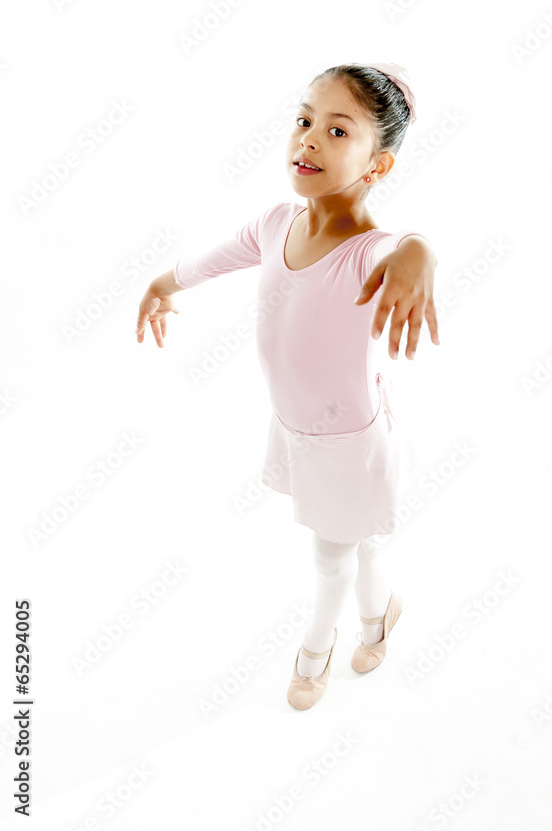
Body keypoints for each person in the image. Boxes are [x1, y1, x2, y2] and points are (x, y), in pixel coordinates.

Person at [135, 62, 440, 710]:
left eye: (337, 131)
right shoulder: (277, 224)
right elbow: (210, 260)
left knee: (332, 556)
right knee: (357, 543)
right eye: (304, 121)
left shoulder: (368, 252)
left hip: (348, 442)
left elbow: (403, 249)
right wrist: (164, 285)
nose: (308, 139)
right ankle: (383, 612)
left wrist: (420, 255)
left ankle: (314, 654)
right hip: (298, 428)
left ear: (377, 165)